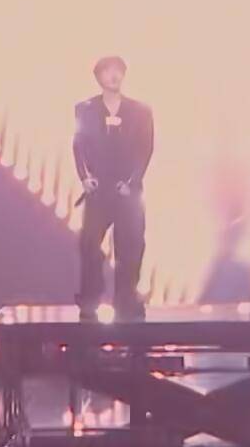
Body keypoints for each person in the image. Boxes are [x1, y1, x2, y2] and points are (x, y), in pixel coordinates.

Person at [72, 56, 154, 322]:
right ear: (98, 77)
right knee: (89, 243)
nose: (114, 76)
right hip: (98, 188)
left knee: (131, 245)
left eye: (118, 71)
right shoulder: (85, 109)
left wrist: (132, 182)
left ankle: (125, 297)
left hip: (127, 189)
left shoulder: (141, 111)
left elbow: (146, 149)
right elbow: (79, 145)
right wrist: (85, 178)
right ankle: (90, 297)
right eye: (108, 71)